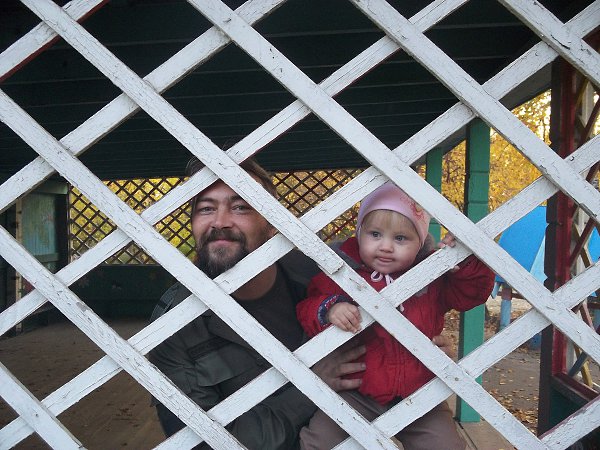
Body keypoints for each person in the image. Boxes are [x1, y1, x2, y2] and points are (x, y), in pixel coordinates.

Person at [149, 158, 455, 449]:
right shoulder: (173, 325)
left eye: (241, 206)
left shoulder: (324, 274)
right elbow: (205, 443)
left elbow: (403, 288)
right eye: (206, 209)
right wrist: (311, 387)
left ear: (272, 223)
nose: (220, 222)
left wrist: (416, 343)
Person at [297, 182, 495, 450]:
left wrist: (465, 260)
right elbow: (307, 307)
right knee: (320, 440)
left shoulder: (431, 274)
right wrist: (330, 308)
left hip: (421, 392)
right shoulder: (343, 272)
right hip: (356, 391)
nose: (386, 246)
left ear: (420, 242)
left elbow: (470, 294)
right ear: (359, 233)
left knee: (445, 446)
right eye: (375, 234)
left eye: (400, 238)